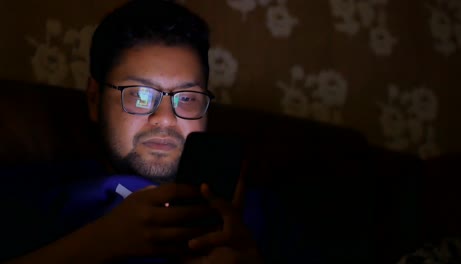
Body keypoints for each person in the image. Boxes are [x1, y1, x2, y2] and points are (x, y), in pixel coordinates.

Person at [1, 0, 309, 263]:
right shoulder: (39, 195)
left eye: (186, 98)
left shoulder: (262, 213)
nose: (165, 119)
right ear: (95, 100)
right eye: (140, 94)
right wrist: (98, 243)